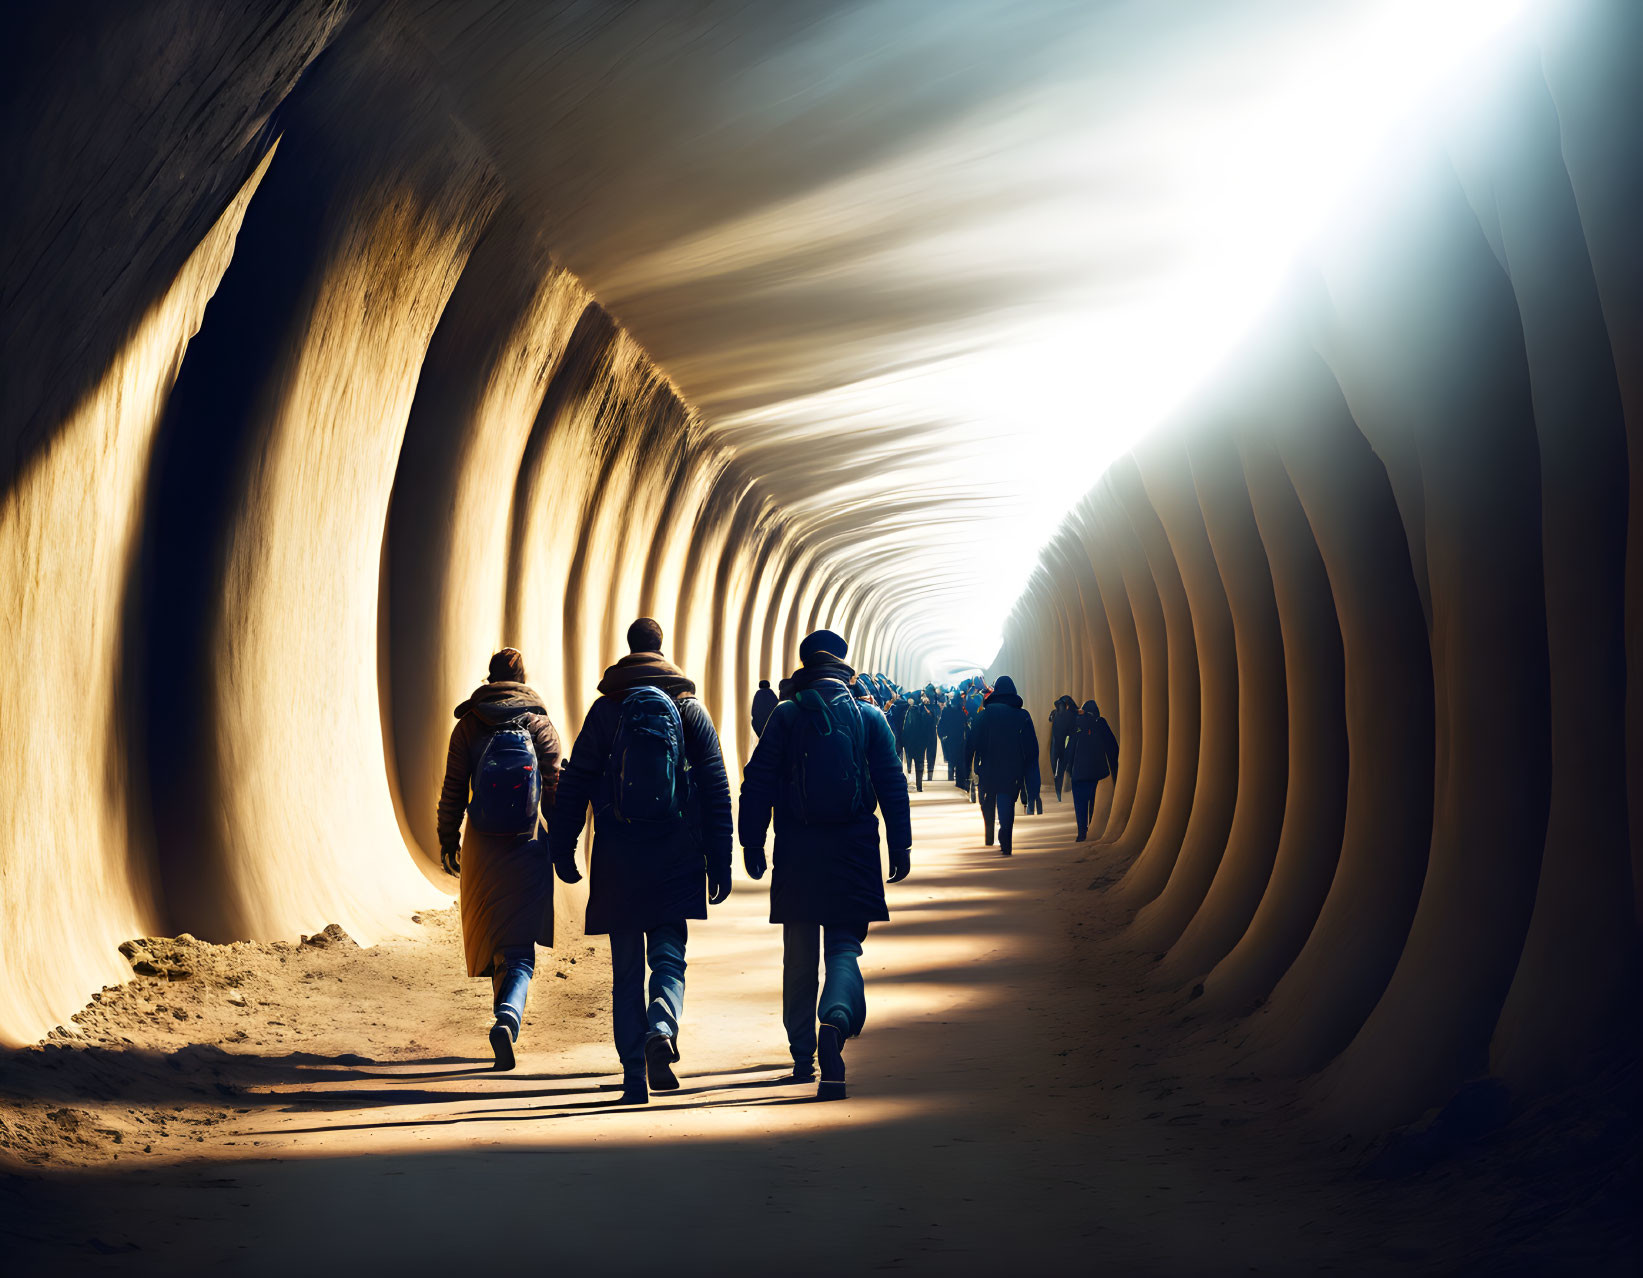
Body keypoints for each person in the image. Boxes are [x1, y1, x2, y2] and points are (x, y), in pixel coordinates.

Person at [548, 618, 733, 1103]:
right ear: (661, 648)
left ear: (629, 650)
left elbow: (576, 782)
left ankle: (633, 1075)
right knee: (670, 954)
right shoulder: (689, 709)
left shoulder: (607, 710)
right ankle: (661, 1025)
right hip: (677, 853)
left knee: (626, 968)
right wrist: (721, 857)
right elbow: (715, 786)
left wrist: (562, 848)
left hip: (618, 854)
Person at [739, 629, 911, 1099]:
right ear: (844, 666)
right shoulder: (869, 716)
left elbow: (757, 781)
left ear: (805, 668)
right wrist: (901, 845)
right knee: (843, 949)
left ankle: (801, 1055)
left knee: (798, 956)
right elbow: (892, 784)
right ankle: (834, 1020)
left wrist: (752, 843)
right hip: (854, 848)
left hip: (797, 850)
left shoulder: (786, 715)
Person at [437, 648, 563, 1071]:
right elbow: (555, 787)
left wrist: (447, 838)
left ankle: (501, 1013)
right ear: (523, 678)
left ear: (488, 678)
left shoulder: (469, 724)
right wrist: (562, 841)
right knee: (520, 947)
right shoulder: (538, 723)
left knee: (493, 935)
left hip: (482, 843)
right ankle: (508, 1014)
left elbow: (454, 787)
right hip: (527, 841)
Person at [964, 675, 1039, 856]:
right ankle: (1006, 838)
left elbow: (971, 742)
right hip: (1012, 767)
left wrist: (967, 766)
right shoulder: (1022, 715)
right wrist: (1031, 779)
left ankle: (989, 833)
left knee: (987, 800)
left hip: (988, 766)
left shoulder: (984, 715)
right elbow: (1031, 748)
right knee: (1006, 802)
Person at [1068, 699, 1120, 842]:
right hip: (1097, 770)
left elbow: (1070, 746)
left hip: (1078, 770)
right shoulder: (1100, 723)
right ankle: (1091, 825)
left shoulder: (1076, 724)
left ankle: (1081, 831)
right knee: (1092, 799)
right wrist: (1113, 766)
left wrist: (1067, 767)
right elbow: (1112, 746)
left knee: (1080, 802)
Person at [900, 690, 936, 791]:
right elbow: (930, 724)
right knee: (919, 762)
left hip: (911, 742)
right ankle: (919, 786)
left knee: (910, 762)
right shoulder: (923, 710)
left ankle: (910, 782)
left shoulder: (909, 711)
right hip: (920, 742)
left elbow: (906, 727)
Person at [1049, 695, 1078, 801]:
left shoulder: (1058, 713)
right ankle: (1058, 793)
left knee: (1059, 769)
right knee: (1060, 769)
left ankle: (1059, 793)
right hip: (1062, 745)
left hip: (1059, 745)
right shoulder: (1070, 715)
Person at [938, 691, 967, 785]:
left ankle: (952, 779)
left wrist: (942, 735)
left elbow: (941, 724)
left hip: (951, 738)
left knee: (952, 760)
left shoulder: (947, 711)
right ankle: (957, 781)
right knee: (957, 760)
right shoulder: (961, 711)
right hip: (957, 738)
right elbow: (965, 723)